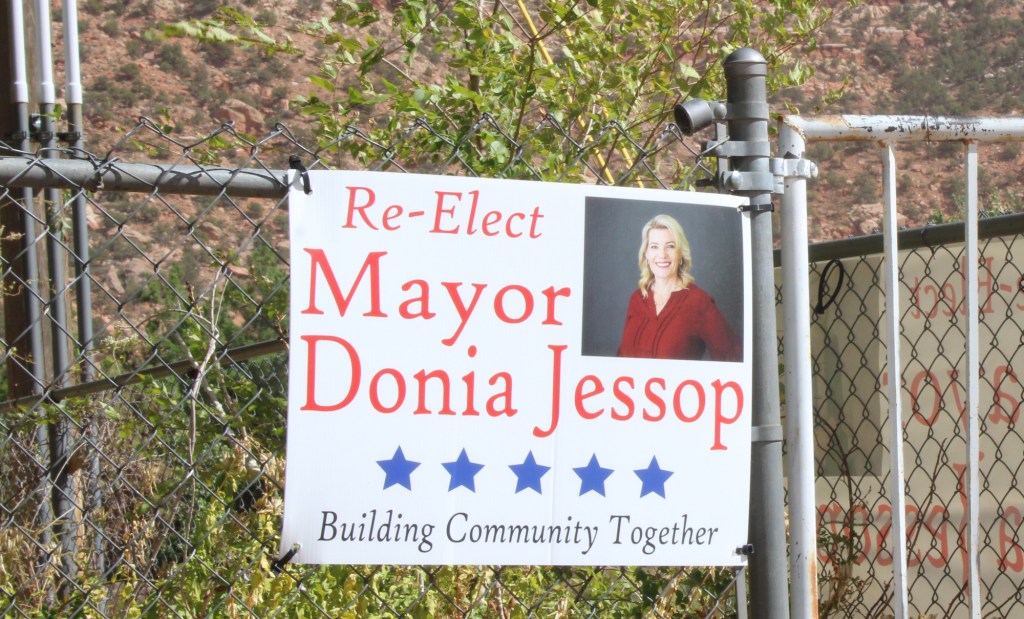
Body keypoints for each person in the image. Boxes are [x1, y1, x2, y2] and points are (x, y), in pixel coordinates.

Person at [617, 214, 740, 361]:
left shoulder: (698, 302)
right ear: (646, 254)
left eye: (670, 246)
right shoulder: (637, 298)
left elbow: (732, 357)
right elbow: (621, 358)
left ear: (681, 253)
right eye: (654, 246)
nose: (662, 255)